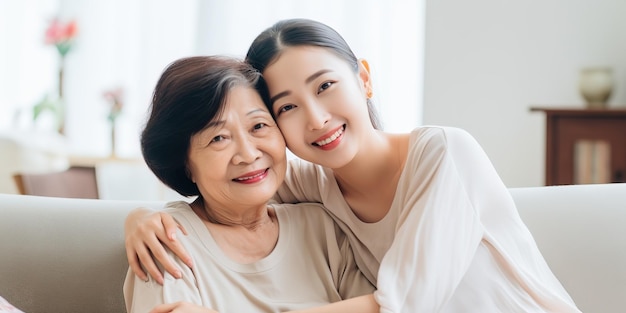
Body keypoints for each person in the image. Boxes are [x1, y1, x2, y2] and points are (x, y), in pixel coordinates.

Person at [125, 18, 581, 312]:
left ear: (363, 77)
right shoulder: (314, 184)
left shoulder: (444, 153)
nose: (317, 118)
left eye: (324, 86)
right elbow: (230, 183)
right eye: (286, 108)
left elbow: (403, 306)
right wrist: (141, 217)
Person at [123, 55, 376, 313]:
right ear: (186, 165)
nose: (248, 154)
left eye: (258, 126)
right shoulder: (167, 243)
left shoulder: (323, 229)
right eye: (219, 138)